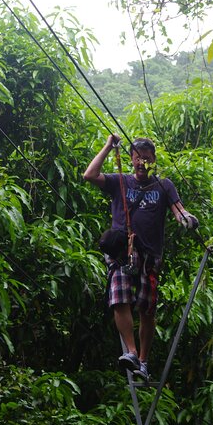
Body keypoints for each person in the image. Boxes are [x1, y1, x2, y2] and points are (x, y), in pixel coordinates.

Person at [83, 134, 198, 381]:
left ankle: (143, 362)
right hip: (123, 253)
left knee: (147, 309)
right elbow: (89, 175)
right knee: (120, 298)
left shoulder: (163, 185)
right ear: (132, 159)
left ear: (153, 160)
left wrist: (186, 219)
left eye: (146, 158)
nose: (140, 163)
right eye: (137, 158)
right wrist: (107, 146)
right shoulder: (121, 182)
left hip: (150, 256)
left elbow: (179, 210)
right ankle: (132, 353)